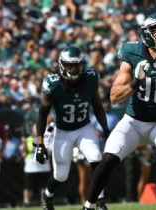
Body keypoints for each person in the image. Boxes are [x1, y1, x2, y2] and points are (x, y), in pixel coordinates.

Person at [84, 13, 156, 210]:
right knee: (108, 158)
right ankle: (90, 205)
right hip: (133, 121)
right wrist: (135, 82)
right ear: (147, 34)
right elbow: (114, 96)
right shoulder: (132, 52)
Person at [35, 45, 110, 210]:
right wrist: (40, 143)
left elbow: (97, 105)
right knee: (61, 175)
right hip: (62, 131)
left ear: (82, 64)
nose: (73, 68)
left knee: (96, 157)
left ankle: (100, 202)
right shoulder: (53, 84)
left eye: (76, 64)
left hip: (84, 127)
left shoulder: (90, 77)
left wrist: (105, 128)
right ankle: (47, 196)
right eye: (69, 64)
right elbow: (42, 114)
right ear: (62, 65)